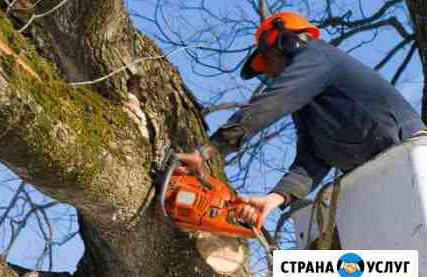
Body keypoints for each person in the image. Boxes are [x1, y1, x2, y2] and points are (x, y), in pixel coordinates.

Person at [177, 12, 425, 226]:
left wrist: (207, 150)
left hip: (408, 155)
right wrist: (275, 199)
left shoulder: (318, 55)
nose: (271, 73)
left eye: (269, 61)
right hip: (377, 175)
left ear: (287, 42)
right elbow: (312, 158)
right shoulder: (308, 105)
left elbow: (272, 102)